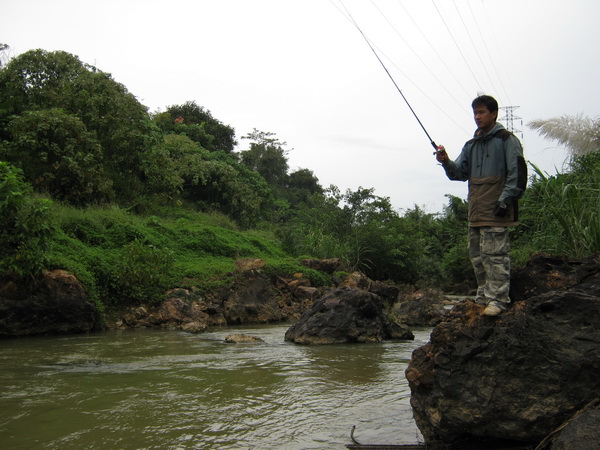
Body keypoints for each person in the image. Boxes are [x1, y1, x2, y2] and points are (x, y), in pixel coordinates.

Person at [435, 95, 526, 316]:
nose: (477, 117)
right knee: (477, 257)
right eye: (475, 113)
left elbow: (518, 174)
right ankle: (483, 297)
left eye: (482, 112)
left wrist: (505, 200)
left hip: (497, 208)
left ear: (493, 113)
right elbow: (459, 173)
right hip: (475, 210)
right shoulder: (471, 145)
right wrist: (445, 160)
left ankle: (498, 300)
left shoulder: (507, 140)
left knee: (495, 256)